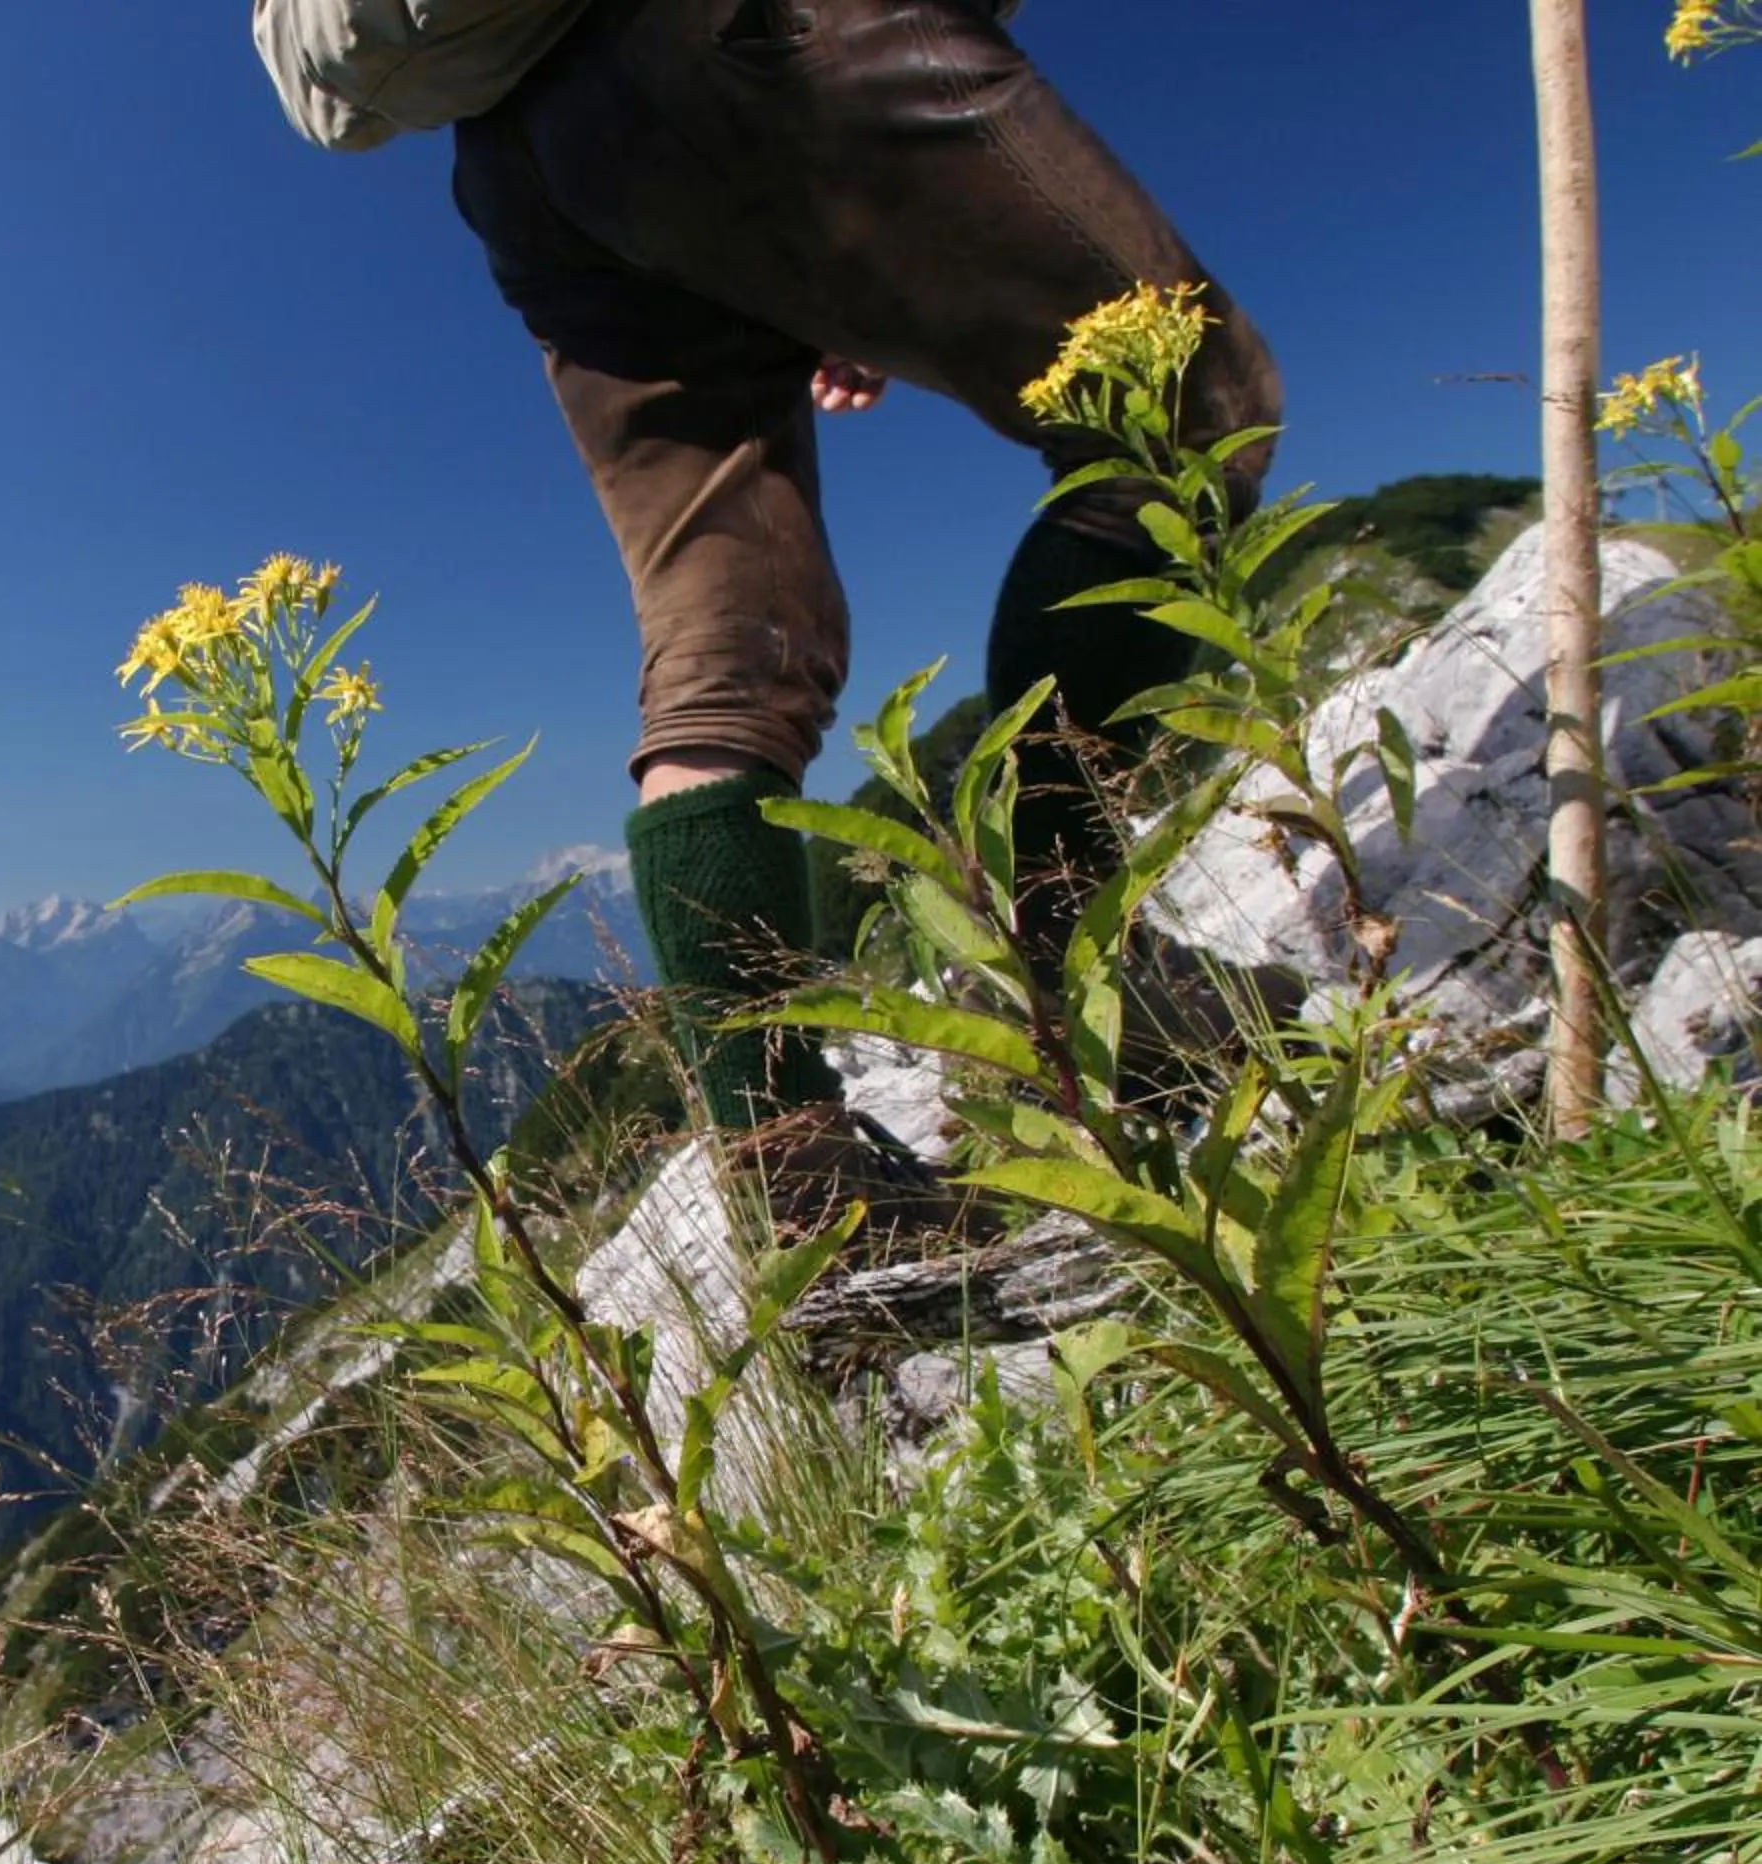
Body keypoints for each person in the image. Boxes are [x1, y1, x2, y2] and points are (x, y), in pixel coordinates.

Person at [256, 0, 1282, 1137]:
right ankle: (1081, 972)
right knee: (1182, 402)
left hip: (523, 165)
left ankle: (793, 1185)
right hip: (744, 33)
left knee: (722, 632)